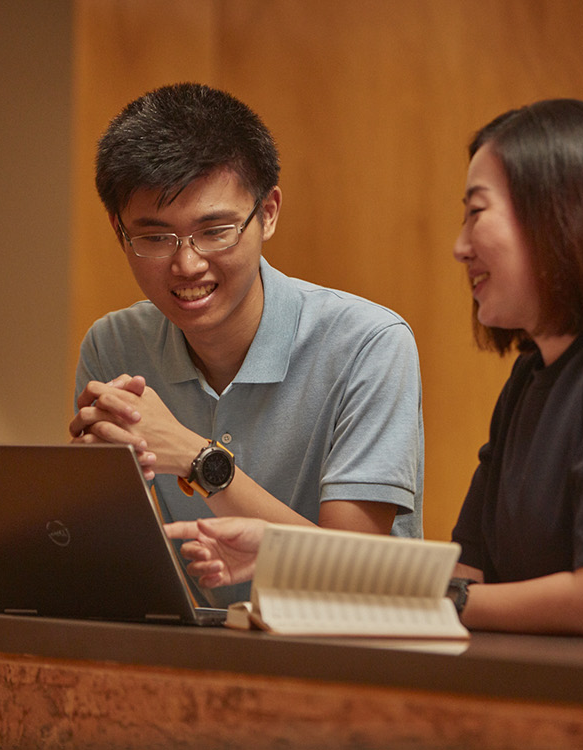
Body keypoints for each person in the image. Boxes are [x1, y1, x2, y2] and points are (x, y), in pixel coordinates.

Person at [167, 99, 583, 648]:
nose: (460, 245)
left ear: (559, 216)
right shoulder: (530, 380)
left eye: (477, 212)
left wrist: (441, 601)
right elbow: (466, 573)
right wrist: (286, 553)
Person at [69, 83, 424, 605]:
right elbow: (117, 565)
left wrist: (198, 460)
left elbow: (359, 573)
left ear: (269, 212)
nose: (187, 264)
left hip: (342, 661)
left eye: (216, 231)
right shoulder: (113, 345)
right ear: (119, 231)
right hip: (185, 661)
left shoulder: (368, 344)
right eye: (154, 237)